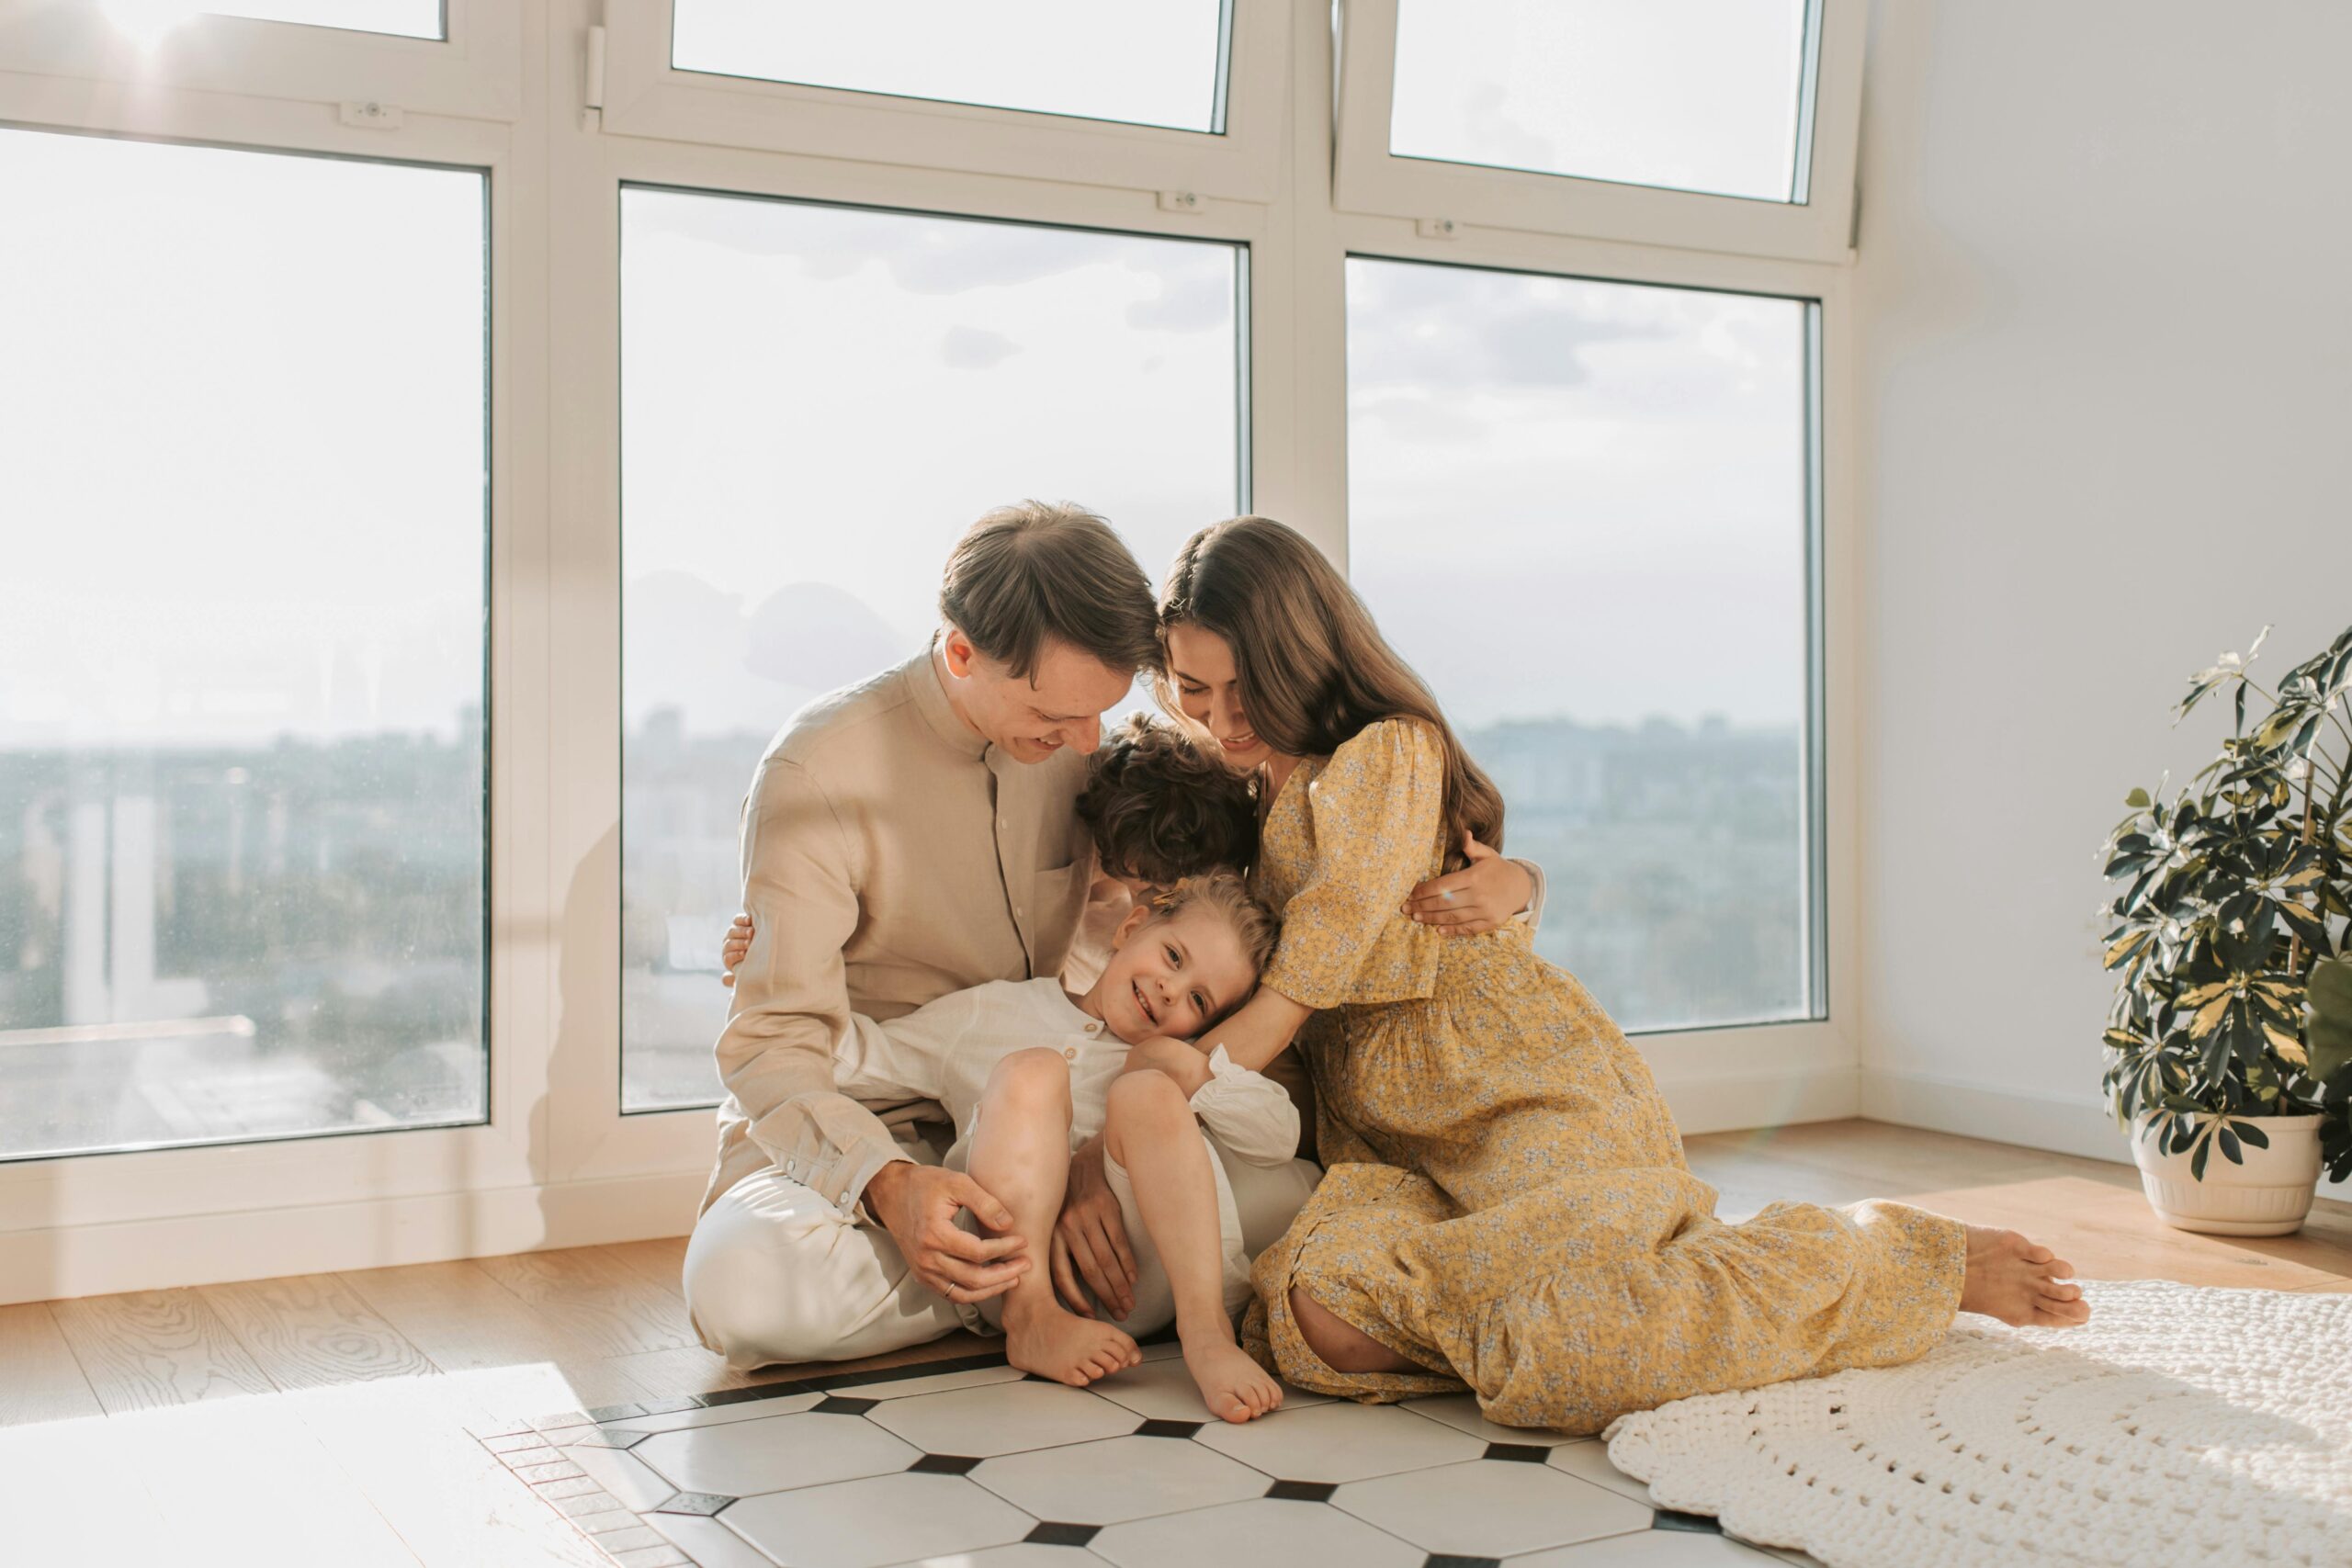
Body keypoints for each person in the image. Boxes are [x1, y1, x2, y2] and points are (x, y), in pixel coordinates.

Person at [1145, 516, 2092, 1436]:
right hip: (1387, 1145)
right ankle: (1602, 1312)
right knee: (1323, 1317)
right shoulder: (1235, 781)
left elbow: (1311, 969)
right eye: (1194, 689)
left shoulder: (1383, 749)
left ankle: (1888, 1259)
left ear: (1305, 657)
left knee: (1574, 1351)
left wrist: (1155, 1094)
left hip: (1516, 1090)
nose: (1224, 720)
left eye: (1247, 690)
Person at [684, 501, 1538, 1371]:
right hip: (874, 1134)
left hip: (1070, 1112)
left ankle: (1009, 1273)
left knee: (1288, 1192)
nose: (1087, 744)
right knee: (744, 1290)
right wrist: (892, 1189)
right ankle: (1030, 1277)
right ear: (961, 653)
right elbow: (775, 1045)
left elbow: (1232, 901)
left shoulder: (1086, 748)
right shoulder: (816, 773)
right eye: (1057, 719)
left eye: (1104, 713)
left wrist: (1519, 881)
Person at [829, 873, 1294, 1421]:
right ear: (1132, 926)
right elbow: (855, 1058)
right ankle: (1034, 1321)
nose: (1171, 989)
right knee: (1035, 1069)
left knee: (1144, 1090)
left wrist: (1186, 1066)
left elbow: (1277, 1137)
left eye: (1198, 998)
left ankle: (1207, 1333)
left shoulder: (1184, 1055)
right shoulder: (992, 1011)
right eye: (1172, 957)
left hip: (1147, 1279)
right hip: (1013, 1271)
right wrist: (778, 971)